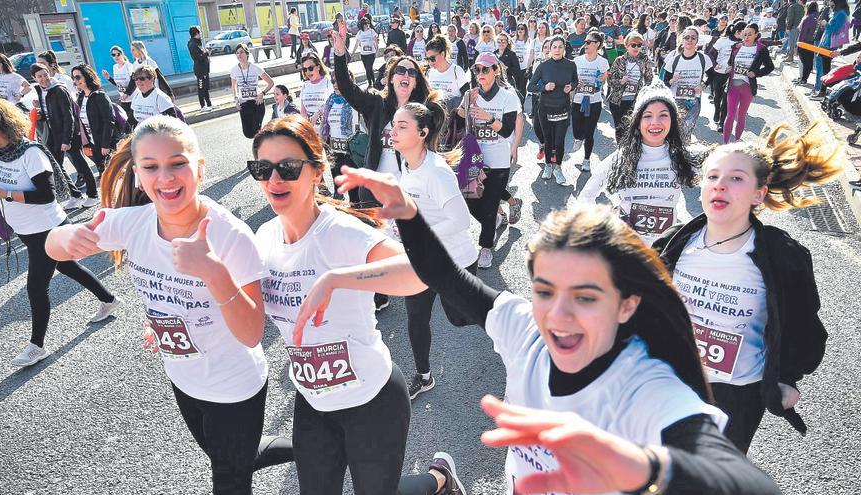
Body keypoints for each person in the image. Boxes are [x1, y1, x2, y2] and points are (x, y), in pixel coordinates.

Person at [332, 166, 783, 495]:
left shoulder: (644, 383)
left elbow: (736, 476)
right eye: (545, 291)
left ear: (626, 305)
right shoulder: (523, 327)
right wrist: (409, 214)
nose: (559, 316)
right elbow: (449, 279)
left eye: (585, 297)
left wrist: (651, 467)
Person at [45, 115, 293, 491]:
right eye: (151, 167)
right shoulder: (133, 223)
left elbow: (251, 333)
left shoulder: (230, 236)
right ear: (138, 174)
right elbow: (50, 244)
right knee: (227, 455)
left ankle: (297, 448)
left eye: (178, 163)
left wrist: (213, 273)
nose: (165, 177)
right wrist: (67, 237)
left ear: (200, 168)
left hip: (233, 386)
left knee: (229, 478)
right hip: (182, 375)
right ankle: (310, 445)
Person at [250, 115, 425, 493]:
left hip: (372, 401)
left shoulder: (338, 233)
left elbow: (420, 272)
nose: (274, 180)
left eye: (289, 167)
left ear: (317, 171)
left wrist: (338, 278)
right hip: (313, 401)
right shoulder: (264, 237)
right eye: (263, 169)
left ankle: (439, 478)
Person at [654, 122, 844, 454]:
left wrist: (787, 376)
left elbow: (804, 327)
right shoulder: (673, 245)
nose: (720, 186)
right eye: (712, 177)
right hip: (668, 383)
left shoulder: (782, 256)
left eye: (736, 178)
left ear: (759, 193)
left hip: (734, 397)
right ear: (700, 189)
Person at [0, 97, 120, 368]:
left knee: (35, 286)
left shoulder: (30, 153)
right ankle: (109, 299)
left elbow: (46, 195)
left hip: (48, 228)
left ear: (5, 125)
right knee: (68, 267)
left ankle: (37, 346)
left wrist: (4, 194)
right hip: (26, 229)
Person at [389, 101, 478, 400]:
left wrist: (417, 236)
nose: (394, 131)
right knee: (416, 316)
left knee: (460, 318)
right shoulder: (406, 163)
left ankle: (510, 330)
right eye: (394, 124)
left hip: (456, 260)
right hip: (422, 261)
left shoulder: (436, 172)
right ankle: (423, 375)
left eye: (403, 126)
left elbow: (461, 220)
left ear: (423, 133)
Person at [578, 80, 697, 244]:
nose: (655, 122)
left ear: (673, 120)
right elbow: (585, 198)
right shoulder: (620, 158)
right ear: (638, 122)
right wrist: (604, 222)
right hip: (627, 250)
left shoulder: (683, 157)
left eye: (663, 115)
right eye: (647, 116)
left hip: (664, 251)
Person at [331, 26, 438, 205]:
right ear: (391, 78)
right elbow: (347, 88)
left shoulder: (424, 111)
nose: (406, 74)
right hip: (375, 193)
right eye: (401, 71)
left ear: (415, 82)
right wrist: (340, 53)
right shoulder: (376, 104)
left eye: (412, 72)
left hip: (410, 194)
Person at [456, 53, 521, 269]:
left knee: (491, 203)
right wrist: (467, 104)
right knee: (471, 202)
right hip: (474, 160)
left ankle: (485, 247)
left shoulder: (509, 96)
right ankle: (496, 218)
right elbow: (458, 119)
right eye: (477, 69)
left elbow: (507, 131)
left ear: (496, 71)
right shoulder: (470, 94)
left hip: (499, 159)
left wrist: (488, 117)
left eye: (485, 69)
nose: (480, 74)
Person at [30, 64, 96, 209]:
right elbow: (51, 114)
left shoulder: (59, 90)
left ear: (49, 73)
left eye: (45, 74)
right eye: (39, 76)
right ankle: (76, 195)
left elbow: (68, 117)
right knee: (57, 167)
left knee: (81, 165)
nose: (44, 78)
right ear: (34, 78)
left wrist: (67, 140)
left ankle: (93, 195)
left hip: (69, 134)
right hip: (54, 135)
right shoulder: (41, 91)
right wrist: (41, 115)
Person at [527, 35, 578, 184]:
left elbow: (575, 80)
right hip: (545, 108)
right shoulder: (543, 66)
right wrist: (544, 87)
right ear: (549, 49)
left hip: (562, 108)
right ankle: (548, 165)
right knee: (548, 140)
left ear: (564, 48)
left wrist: (572, 87)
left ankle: (558, 168)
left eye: (560, 47)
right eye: (554, 47)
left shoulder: (571, 65)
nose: (557, 50)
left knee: (560, 141)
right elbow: (530, 86)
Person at [722, 24, 775, 144]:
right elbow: (731, 63)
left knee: (741, 115)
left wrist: (756, 73)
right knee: (730, 115)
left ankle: (736, 142)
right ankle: (725, 144)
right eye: (744, 34)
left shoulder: (761, 49)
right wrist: (729, 68)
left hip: (748, 87)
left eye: (750, 34)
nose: (746, 36)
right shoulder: (736, 46)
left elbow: (770, 67)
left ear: (756, 35)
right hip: (733, 86)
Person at [72, 64, 122, 178]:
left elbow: (109, 121)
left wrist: (106, 144)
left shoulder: (100, 96)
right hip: (93, 144)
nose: (76, 81)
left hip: (105, 144)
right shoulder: (81, 98)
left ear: (87, 76)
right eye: (74, 78)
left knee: (114, 176)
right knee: (104, 176)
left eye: (78, 77)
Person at [320, 72, 364, 203]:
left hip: (352, 147)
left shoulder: (355, 99)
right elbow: (326, 122)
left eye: (339, 81)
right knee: (336, 176)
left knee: (352, 181)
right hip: (334, 145)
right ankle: (339, 199)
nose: (335, 84)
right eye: (333, 81)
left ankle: (356, 205)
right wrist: (323, 138)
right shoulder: (330, 100)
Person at [663, 26, 713, 136]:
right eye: (687, 37)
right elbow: (665, 82)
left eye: (693, 37)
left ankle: (684, 151)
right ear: (682, 40)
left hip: (694, 101)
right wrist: (672, 80)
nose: (690, 40)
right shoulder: (674, 60)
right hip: (677, 100)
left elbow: (712, 76)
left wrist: (703, 85)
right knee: (675, 131)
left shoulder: (703, 59)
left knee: (687, 131)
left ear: (697, 40)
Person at [571, 29, 610, 173]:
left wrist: (601, 80)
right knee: (577, 130)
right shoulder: (577, 60)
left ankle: (586, 160)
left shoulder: (603, 62)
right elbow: (572, 80)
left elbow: (604, 80)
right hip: (578, 99)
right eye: (585, 42)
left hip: (594, 101)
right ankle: (578, 138)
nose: (585, 44)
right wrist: (577, 83)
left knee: (589, 132)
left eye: (588, 42)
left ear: (597, 44)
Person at [606, 31, 654, 143]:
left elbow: (649, 80)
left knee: (635, 130)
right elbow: (610, 81)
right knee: (620, 130)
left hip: (635, 101)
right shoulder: (619, 61)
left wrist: (646, 93)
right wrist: (621, 81)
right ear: (627, 46)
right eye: (633, 45)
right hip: (618, 101)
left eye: (639, 45)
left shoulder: (644, 60)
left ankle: (633, 154)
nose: (636, 47)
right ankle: (621, 153)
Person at [231, 44, 274, 139]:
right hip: (244, 104)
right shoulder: (234, 70)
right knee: (248, 133)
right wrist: (236, 99)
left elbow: (270, 83)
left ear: (247, 54)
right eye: (237, 53)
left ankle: (262, 148)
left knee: (256, 132)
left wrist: (262, 94)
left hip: (257, 103)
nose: (239, 55)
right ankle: (267, 134)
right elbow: (233, 86)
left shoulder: (255, 68)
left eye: (241, 52)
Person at [711, 21, 745, 133]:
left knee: (726, 99)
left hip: (732, 75)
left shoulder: (743, 44)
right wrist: (715, 65)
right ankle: (717, 110)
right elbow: (710, 52)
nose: (746, 35)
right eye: (744, 32)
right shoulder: (723, 41)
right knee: (717, 97)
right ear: (738, 32)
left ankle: (721, 123)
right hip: (719, 73)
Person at [811, 0, 849, 99]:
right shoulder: (836, 13)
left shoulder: (841, 14)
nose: (829, 3)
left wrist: (825, 24)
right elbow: (830, 29)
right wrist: (824, 25)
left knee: (826, 70)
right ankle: (823, 91)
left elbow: (835, 30)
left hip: (829, 45)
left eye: (831, 2)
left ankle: (823, 92)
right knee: (825, 69)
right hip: (826, 43)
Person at [298, 53, 333, 131]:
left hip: (328, 130)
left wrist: (318, 113)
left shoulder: (328, 82)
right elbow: (303, 111)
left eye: (310, 68)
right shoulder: (305, 85)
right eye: (304, 69)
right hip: (311, 131)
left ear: (318, 67)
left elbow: (333, 103)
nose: (308, 72)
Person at [102, 45, 135, 126]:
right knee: (126, 121)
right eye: (113, 55)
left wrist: (127, 93)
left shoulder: (128, 65)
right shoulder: (115, 67)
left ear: (122, 54)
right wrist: (109, 78)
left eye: (118, 54)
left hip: (132, 97)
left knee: (133, 121)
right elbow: (118, 84)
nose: (116, 56)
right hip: (123, 99)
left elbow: (133, 81)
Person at [188, 26, 213, 112]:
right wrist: (206, 54)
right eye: (200, 32)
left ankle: (209, 104)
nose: (201, 34)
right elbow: (197, 58)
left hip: (205, 69)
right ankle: (202, 106)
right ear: (196, 33)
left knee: (206, 87)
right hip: (200, 70)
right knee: (201, 87)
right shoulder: (192, 44)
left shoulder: (198, 43)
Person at [796, 2, 820, 85]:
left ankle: (803, 79)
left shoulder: (807, 18)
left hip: (804, 43)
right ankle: (803, 79)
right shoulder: (816, 18)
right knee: (809, 63)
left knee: (805, 63)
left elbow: (802, 33)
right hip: (811, 43)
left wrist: (798, 44)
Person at [353, 17, 379, 86]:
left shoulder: (371, 31)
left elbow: (375, 40)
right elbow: (357, 43)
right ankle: (372, 83)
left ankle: (372, 83)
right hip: (363, 54)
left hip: (371, 53)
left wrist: (377, 49)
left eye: (368, 23)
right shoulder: (360, 33)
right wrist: (353, 52)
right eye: (365, 23)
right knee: (368, 69)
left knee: (369, 68)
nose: (367, 25)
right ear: (362, 25)